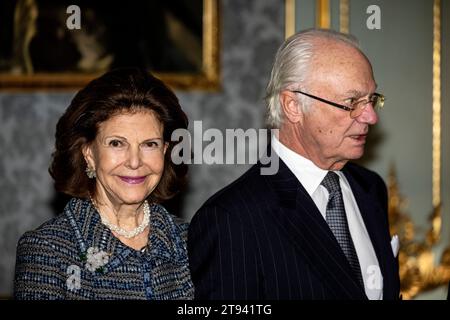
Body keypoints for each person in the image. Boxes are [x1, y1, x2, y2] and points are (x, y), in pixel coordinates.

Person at [188, 29, 400, 300]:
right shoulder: (231, 219)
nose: (370, 117)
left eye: (371, 100)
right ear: (292, 105)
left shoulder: (370, 188)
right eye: (352, 103)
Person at [14, 68, 194, 299]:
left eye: (150, 144)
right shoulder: (47, 250)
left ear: (166, 151)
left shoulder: (190, 241)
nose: (135, 162)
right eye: (117, 143)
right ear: (88, 152)